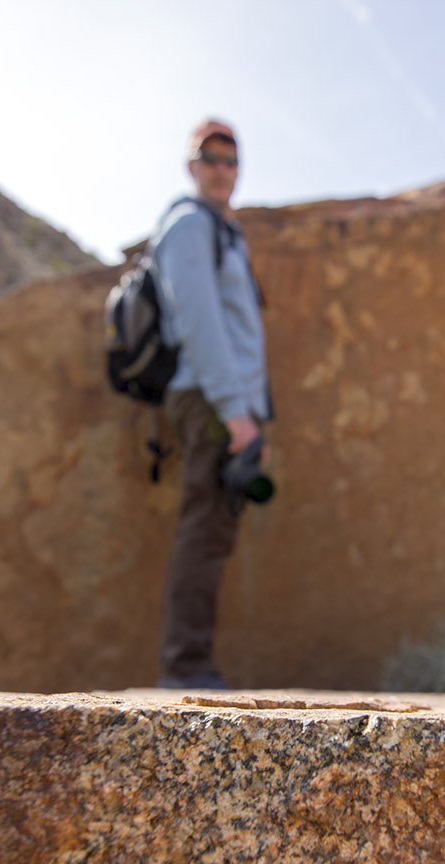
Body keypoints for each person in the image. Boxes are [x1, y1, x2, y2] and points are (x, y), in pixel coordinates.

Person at [151, 118, 271, 689]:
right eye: (211, 157)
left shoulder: (226, 231)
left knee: (214, 532)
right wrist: (235, 413)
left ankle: (192, 665)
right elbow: (199, 321)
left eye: (231, 159)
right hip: (208, 401)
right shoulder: (188, 226)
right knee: (203, 531)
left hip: (227, 402)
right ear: (192, 165)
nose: (222, 169)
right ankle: (186, 670)